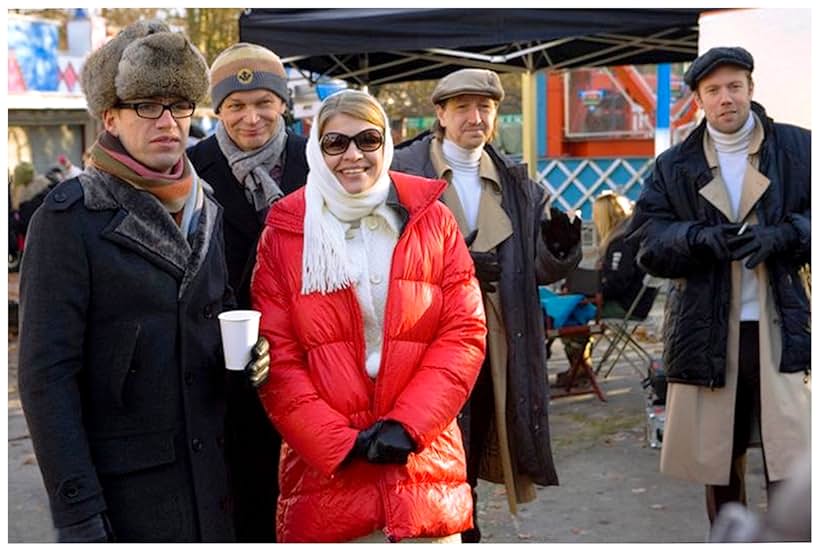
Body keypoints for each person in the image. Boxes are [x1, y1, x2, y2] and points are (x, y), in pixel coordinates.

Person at [17, 20, 235, 542]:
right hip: (127, 497)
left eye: (179, 104)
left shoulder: (208, 207)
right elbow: (46, 379)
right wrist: (79, 514)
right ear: (110, 117)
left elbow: (218, 313)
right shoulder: (69, 217)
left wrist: (250, 359)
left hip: (214, 483)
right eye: (146, 105)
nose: (167, 121)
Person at [250, 89, 487, 542]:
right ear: (316, 152)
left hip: (422, 469)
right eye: (335, 143)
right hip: (328, 479)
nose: (353, 155)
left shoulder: (432, 221)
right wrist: (338, 443)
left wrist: (409, 425)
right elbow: (276, 358)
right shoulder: (284, 233)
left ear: (387, 143)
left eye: (368, 140)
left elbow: (464, 334)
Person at [391, 68, 582, 542]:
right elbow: (383, 258)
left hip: (497, 340)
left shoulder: (518, 182)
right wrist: (454, 268)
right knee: (429, 457)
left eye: (485, 108)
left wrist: (559, 250)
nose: (476, 118)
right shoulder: (402, 173)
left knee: (474, 452)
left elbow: (532, 270)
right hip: (423, 343)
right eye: (462, 108)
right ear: (440, 114)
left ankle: (467, 533)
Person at [627, 46, 810, 528]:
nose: (726, 98)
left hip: (781, 323)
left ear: (751, 89)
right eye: (714, 90)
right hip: (706, 326)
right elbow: (646, 241)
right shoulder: (674, 165)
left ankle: (793, 537)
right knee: (718, 457)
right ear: (700, 101)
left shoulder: (800, 148)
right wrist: (696, 238)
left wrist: (789, 234)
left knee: (789, 455)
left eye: (734, 86)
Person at [187, 42, 308, 543]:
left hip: (311, 358)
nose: (251, 117)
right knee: (246, 503)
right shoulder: (192, 169)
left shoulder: (316, 159)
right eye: (235, 105)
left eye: (264, 101)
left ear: (283, 103)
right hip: (228, 371)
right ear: (219, 109)